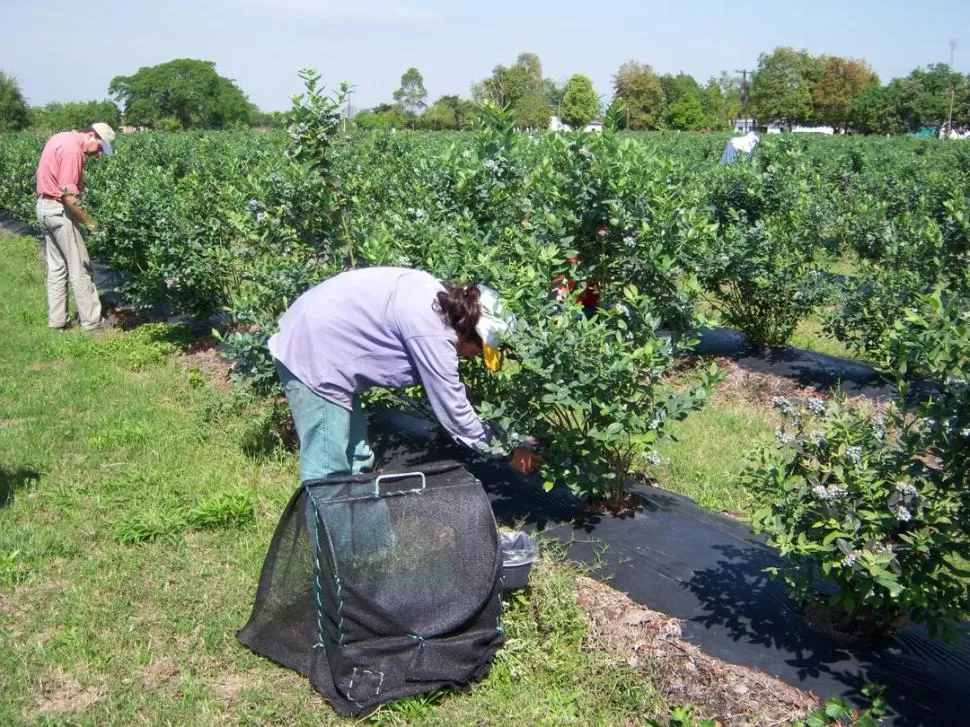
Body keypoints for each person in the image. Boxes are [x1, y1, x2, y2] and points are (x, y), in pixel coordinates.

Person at [268, 267, 542, 484]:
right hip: (313, 352)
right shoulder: (431, 333)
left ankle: (360, 542)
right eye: (478, 350)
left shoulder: (436, 305)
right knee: (328, 470)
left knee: (358, 458)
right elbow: (457, 418)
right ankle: (331, 551)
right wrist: (507, 453)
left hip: (325, 338)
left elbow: (447, 388)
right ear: (468, 329)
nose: (474, 357)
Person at [35, 122, 116, 332]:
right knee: (80, 267)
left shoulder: (62, 137)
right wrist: (89, 221)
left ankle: (58, 321)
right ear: (92, 135)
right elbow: (68, 197)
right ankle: (92, 323)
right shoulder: (73, 151)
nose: (99, 154)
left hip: (44, 207)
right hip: (59, 211)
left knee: (57, 267)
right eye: (100, 147)